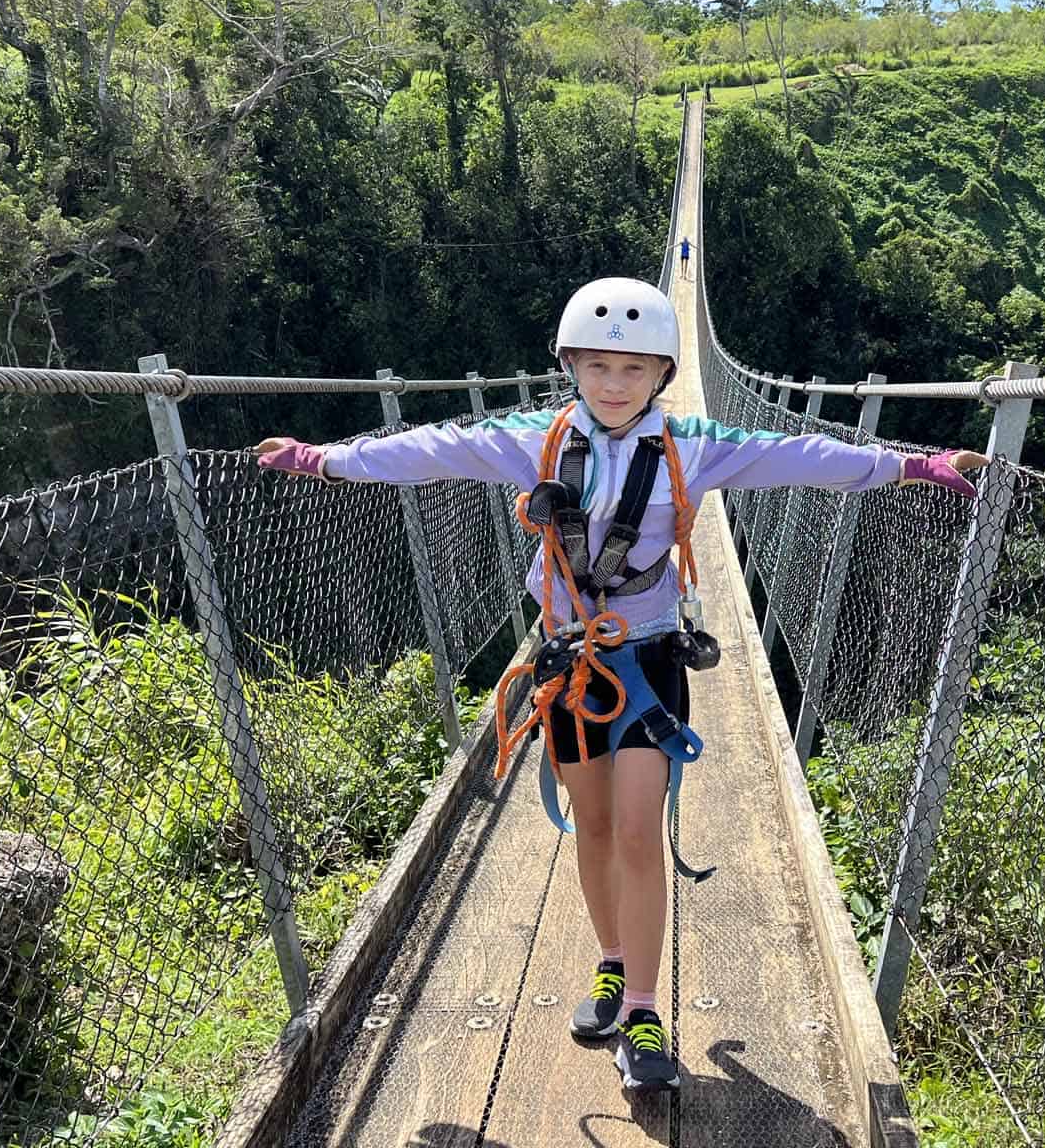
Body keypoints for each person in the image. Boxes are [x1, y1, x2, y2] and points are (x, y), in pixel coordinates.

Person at [254, 275, 985, 1093]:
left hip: (650, 658)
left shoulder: (692, 443)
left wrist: (911, 466)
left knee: (639, 832)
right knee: (593, 828)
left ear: (665, 376)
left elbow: (799, 457)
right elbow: (432, 448)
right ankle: (610, 962)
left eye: (634, 370)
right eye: (598, 365)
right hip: (569, 663)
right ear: (570, 365)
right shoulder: (534, 438)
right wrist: (327, 461)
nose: (613, 384)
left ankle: (641, 1009)